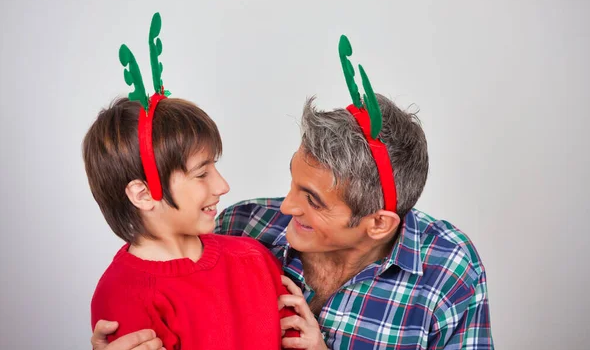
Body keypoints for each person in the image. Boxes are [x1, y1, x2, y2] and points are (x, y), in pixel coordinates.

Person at [91, 36, 493, 349]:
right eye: (293, 183)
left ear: (377, 223)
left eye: (313, 200)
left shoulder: (447, 270)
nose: (284, 207)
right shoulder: (240, 226)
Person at [84, 13, 299, 350]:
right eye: (202, 173)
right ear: (142, 194)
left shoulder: (254, 258)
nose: (222, 185)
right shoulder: (122, 296)